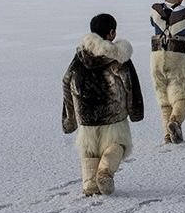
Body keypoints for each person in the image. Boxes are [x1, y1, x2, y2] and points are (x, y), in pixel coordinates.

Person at [61, 13, 144, 195]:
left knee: (89, 150)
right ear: (112, 32)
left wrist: (70, 118)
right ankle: (105, 171)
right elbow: (130, 85)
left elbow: (66, 82)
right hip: (113, 116)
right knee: (118, 144)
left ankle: (90, 184)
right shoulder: (119, 57)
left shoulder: (79, 57)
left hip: (86, 117)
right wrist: (135, 111)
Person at [149, 0, 185, 144]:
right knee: (183, 96)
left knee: (163, 97)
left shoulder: (155, 9)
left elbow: (152, 22)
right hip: (178, 57)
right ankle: (175, 121)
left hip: (157, 56)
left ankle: (167, 134)